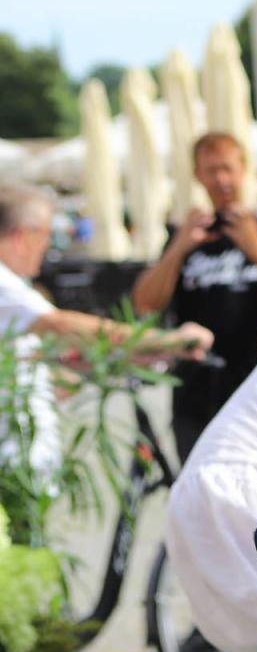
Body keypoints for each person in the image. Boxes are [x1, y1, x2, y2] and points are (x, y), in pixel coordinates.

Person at [0, 184, 212, 480]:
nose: (48, 247)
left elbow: (39, 364)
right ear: (23, 235)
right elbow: (60, 325)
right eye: (46, 235)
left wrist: (128, 356)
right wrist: (165, 340)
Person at [131, 131, 257, 460]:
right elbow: (145, 302)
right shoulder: (186, 235)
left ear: (244, 169)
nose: (221, 179)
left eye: (227, 168)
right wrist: (178, 246)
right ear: (198, 175)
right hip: (194, 391)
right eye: (211, 170)